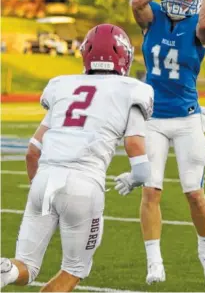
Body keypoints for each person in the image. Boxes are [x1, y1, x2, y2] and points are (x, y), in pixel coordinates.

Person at [0, 24, 154, 292]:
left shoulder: (64, 86)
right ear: (124, 57)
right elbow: (139, 161)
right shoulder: (132, 90)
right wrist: (132, 179)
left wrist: (43, 190)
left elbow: (32, 152)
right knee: (73, 270)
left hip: (44, 180)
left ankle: (6, 270)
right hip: (84, 185)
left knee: (25, 266)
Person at [115, 0, 205, 286]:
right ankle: (154, 262)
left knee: (194, 193)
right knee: (151, 192)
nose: (174, 0)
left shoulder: (202, 25)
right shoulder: (154, 17)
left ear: (193, 1)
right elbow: (135, 1)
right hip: (153, 119)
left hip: (188, 119)